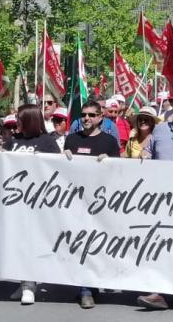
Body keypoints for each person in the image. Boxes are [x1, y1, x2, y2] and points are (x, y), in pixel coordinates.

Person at [63, 100, 120, 309]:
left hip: (100, 204)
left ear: (100, 118)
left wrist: (110, 163)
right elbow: (63, 172)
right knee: (81, 244)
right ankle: (85, 289)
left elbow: (119, 174)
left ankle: (94, 283)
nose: (86, 118)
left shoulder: (109, 142)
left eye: (91, 115)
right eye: (84, 115)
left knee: (97, 245)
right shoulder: (71, 139)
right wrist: (63, 158)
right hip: (76, 201)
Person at [3, 105, 60, 304]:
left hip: (39, 202)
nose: (16, 122)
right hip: (15, 201)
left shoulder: (47, 142)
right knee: (18, 244)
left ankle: (29, 285)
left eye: (19, 119)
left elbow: (57, 170)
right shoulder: (13, 141)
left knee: (32, 243)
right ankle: (25, 282)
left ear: (30, 120)